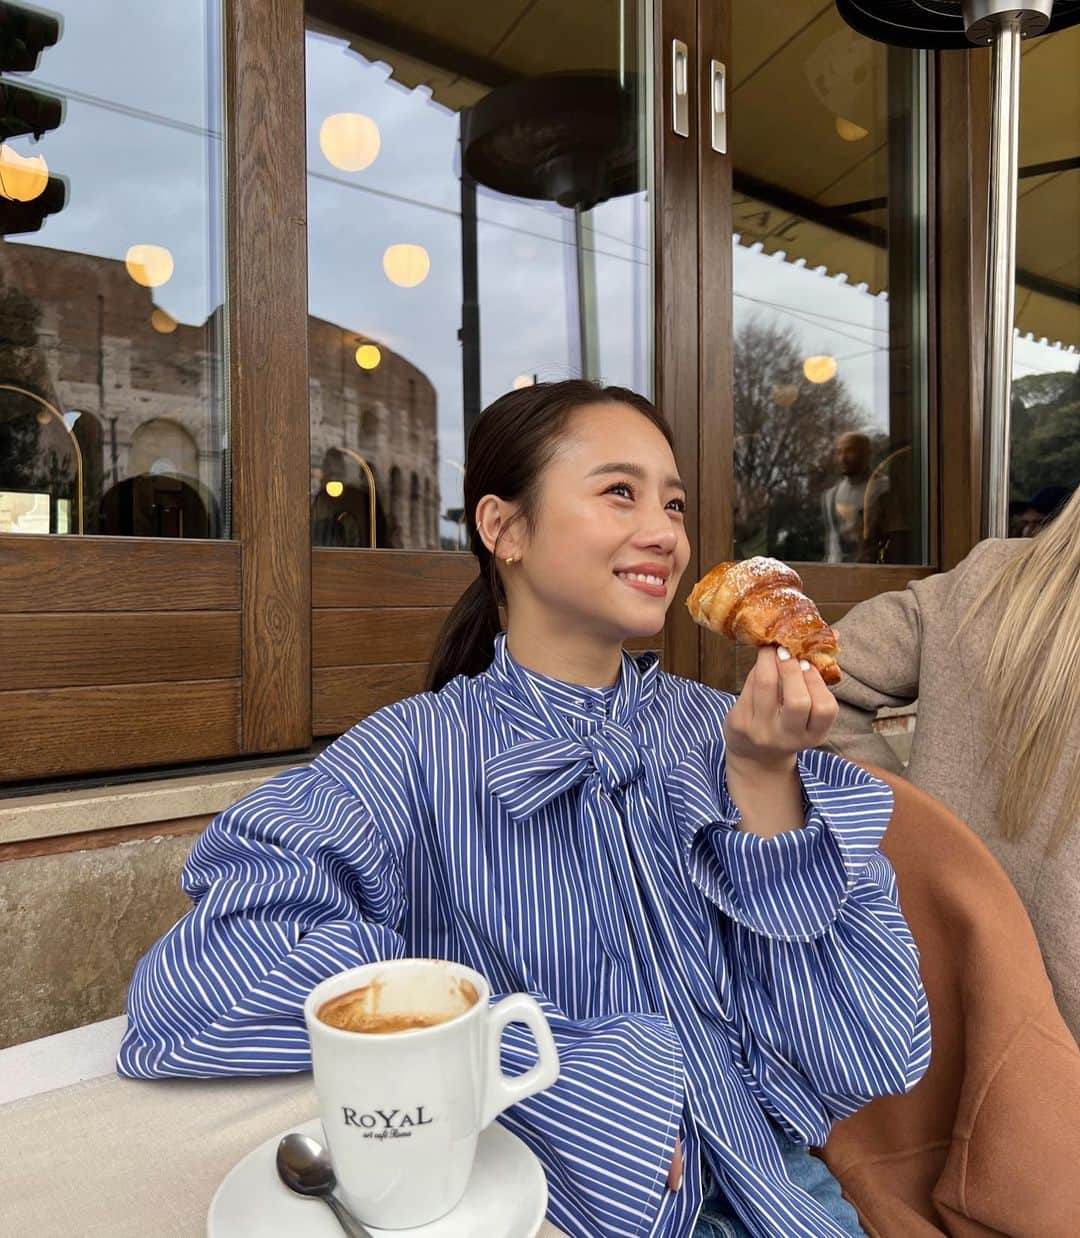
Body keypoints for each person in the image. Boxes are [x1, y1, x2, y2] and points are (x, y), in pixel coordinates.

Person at [118, 380, 930, 1238]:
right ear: (503, 528)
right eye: (620, 491)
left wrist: (766, 783)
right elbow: (193, 996)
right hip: (569, 1209)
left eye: (675, 502)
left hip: (787, 1192)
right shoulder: (412, 755)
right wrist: (537, 1066)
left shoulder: (719, 732)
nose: (665, 532)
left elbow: (865, 1042)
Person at [827, 485, 1080, 1038]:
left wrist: (914, 834)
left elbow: (806, 677)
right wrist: (911, 825)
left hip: (947, 992)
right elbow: (811, 679)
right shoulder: (994, 582)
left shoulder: (992, 580)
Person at [820, 432, 888, 564]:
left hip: (872, 574)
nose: (842, 458)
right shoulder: (830, 496)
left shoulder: (884, 488)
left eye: (849, 451)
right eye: (839, 452)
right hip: (836, 575)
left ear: (867, 453)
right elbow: (832, 546)